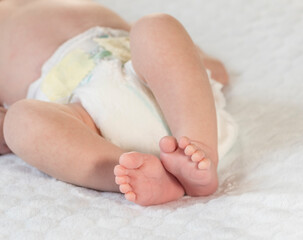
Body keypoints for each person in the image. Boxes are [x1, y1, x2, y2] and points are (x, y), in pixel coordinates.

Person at [0, 0, 236, 206]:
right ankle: (135, 175)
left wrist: (188, 57)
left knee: (155, 24)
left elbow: (198, 61)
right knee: (20, 122)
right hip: (84, 117)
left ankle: (199, 152)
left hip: (160, 91)